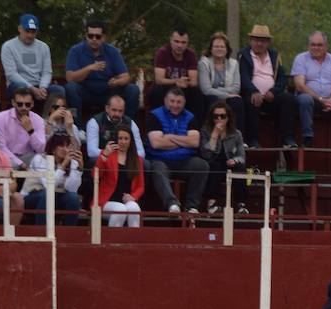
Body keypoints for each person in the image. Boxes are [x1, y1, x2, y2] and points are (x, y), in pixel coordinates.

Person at [146, 86, 210, 215]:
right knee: (157, 169)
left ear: (184, 102)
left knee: (201, 165)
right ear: (165, 101)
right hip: (161, 160)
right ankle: (172, 204)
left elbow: (195, 142)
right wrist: (183, 142)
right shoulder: (154, 116)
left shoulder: (190, 117)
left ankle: (192, 206)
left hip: (185, 161)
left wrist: (170, 137)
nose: (175, 105)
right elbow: (157, 143)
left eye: (179, 102)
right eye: (172, 101)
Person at [64, 20, 139, 119]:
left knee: (133, 90)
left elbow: (126, 77)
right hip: (86, 92)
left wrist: (117, 82)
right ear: (86, 36)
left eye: (98, 37)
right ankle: (77, 128)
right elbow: (69, 78)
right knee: (71, 88)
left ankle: (127, 126)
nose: (94, 39)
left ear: (103, 37)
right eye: (90, 36)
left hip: (108, 93)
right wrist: (89, 68)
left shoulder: (113, 51)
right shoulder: (75, 50)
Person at [238, 24, 298, 148]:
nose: (259, 44)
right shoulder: (243, 55)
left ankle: (287, 139)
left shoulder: (274, 56)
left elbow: (282, 77)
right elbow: (243, 76)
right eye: (256, 40)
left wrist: (274, 91)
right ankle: (253, 140)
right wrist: (254, 91)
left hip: (271, 97)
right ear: (251, 40)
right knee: (251, 101)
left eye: (263, 41)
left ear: (268, 42)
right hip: (252, 95)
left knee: (288, 99)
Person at [198, 100, 249, 215]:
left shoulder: (236, 134)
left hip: (229, 163)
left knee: (240, 168)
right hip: (213, 163)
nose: (219, 119)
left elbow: (241, 156)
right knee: (215, 166)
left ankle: (241, 204)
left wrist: (234, 160)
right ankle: (211, 204)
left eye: (223, 116)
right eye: (216, 116)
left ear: (228, 117)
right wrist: (215, 135)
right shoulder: (205, 132)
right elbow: (205, 154)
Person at [21, 133, 84, 226]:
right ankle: (41, 232)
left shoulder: (71, 162)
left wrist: (79, 169)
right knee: (47, 195)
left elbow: (72, 189)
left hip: (57, 196)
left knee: (73, 198)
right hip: (33, 195)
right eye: (61, 146)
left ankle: (68, 233)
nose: (66, 149)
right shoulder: (40, 159)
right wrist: (62, 166)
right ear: (53, 149)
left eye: (68, 146)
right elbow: (48, 185)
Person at [1, 13, 62, 105]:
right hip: (18, 85)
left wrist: (43, 88)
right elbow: (11, 74)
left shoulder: (44, 47)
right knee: (21, 88)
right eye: (27, 31)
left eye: (33, 32)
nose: (30, 35)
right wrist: (32, 89)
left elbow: (47, 72)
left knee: (59, 90)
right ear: (19, 29)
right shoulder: (8, 46)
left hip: (39, 85)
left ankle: (47, 117)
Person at [94, 123, 145, 228]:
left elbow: (141, 186)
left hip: (126, 201)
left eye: (126, 138)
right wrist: (104, 156)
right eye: (120, 138)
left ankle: (133, 241)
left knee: (134, 208)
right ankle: (112, 241)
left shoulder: (137, 159)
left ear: (131, 141)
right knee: (120, 209)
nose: (123, 142)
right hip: (106, 202)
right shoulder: (107, 154)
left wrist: (133, 197)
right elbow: (96, 175)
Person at [149, 27, 203, 116]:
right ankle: (156, 124)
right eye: (176, 41)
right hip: (166, 87)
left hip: (184, 87)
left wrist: (184, 82)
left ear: (187, 43)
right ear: (170, 40)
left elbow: (193, 82)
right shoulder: (162, 52)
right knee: (156, 91)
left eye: (183, 42)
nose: (180, 46)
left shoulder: (191, 54)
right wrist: (176, 82)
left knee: (196, 93)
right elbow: (159, 79)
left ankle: (195, 126)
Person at [198, 32, 244, 130]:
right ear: (211, 49)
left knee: (237, 101)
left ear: (227, 49)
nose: (219, 49)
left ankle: (238, 138)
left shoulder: (234, 63)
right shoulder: (203, 63)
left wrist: (217, 90)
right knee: (212, 99)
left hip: (228, 96)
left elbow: (236, 87)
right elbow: (206, 90)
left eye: (222, 47)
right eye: (216, 46)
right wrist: (226, 95)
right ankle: (211, 136)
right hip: (210, 97)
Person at [0, 87, 49, 166]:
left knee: (41, 160)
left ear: (32, 104)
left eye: (27, 104)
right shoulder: (1, 117)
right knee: (4, 160)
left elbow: (41, 149)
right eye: (20, 104)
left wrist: (30, 131)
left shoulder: (38, 120)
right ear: (13, 103)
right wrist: (19, 163)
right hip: (8, 157)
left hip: (28, 158)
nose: (24, 107)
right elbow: (1, 147)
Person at [85, 93, 147, 163]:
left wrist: (123, 155)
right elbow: (91, 152)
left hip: (125, 159)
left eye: (120, 111)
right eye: (114, 110)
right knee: (93, 161)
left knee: (144, 163)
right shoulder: (94, 122)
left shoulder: (131, 123)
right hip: (106, 157)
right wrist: (109, 153)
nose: (117, 114)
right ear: (107, 108)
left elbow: (141, 153)